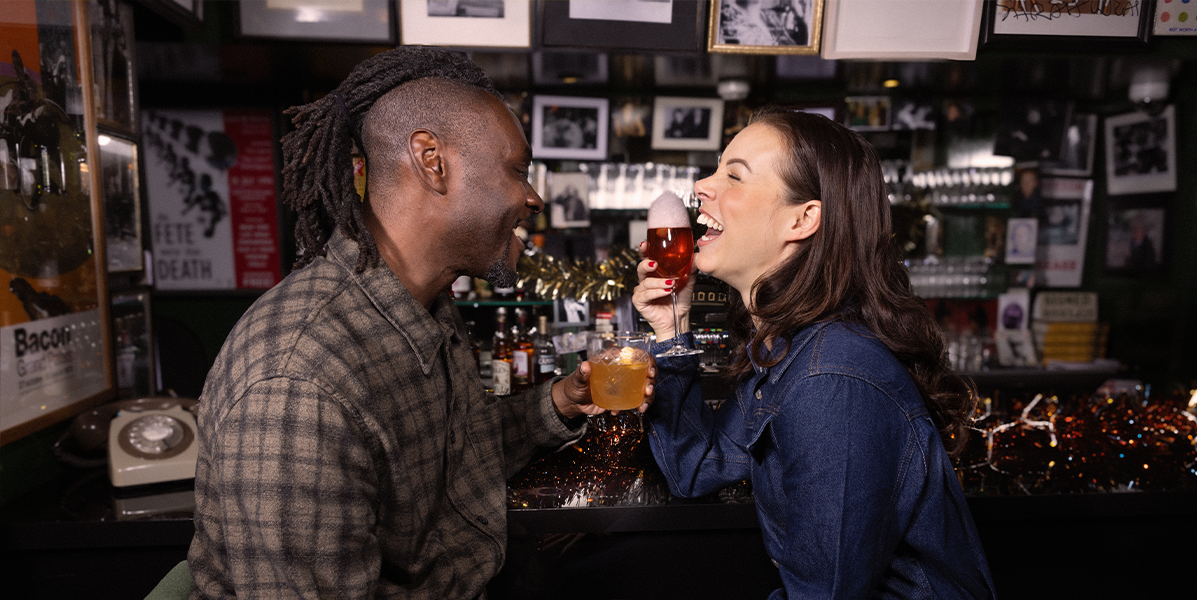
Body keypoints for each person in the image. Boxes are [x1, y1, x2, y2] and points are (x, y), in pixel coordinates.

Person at [187, 47, 653, 599]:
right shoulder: (298, 382)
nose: (533, 197)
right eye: (517, 171)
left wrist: (559, 403)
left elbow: (446, 464)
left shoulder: (423, 304)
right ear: (432, 161)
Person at [633, 107, 996, 598]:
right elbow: (698, 467)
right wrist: (672, 325)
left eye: (733, 175)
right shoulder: (789, 347)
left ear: (803, 219)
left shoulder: (832, 379)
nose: (702, 184)